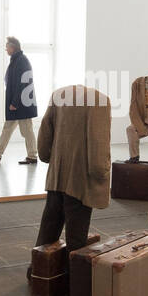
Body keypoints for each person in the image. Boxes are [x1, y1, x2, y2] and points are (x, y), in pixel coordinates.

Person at [33, 84, 111, 253]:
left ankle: (37, 271)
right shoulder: (99, 101)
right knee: (76, 235)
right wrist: (101, 174)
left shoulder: (59, 95)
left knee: (49, 226)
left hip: (57, 175)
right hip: (80, 178)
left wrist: (48, 158)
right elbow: (98, 143)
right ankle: (73, 276)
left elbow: (45, 132)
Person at [0, 36, 38, 165]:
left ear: (13, 47)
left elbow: (22, 84)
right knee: (7, 128)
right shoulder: (17, 60)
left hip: (21, 104)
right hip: (19, 103)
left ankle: (33, 156)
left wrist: (14, 103)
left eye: (7, 47)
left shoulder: (21, 61)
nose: (6, 49)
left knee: (26, 130)